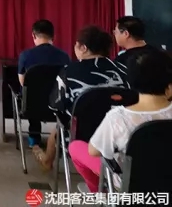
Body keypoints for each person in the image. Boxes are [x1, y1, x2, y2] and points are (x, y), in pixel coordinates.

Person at [69, 49, 172, 192]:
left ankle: (100, 192)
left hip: (130, 185)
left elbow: (94, 151)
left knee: (75, 147)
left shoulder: (119, 118)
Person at [32, 26, 128, 170]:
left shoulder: (69, 72)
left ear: (83, 48)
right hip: (120, 135)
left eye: (76, 45)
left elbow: (55, 106)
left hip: (80, 135)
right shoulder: (123, 70)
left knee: (60, 125)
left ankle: (47, 161)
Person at [17, 20, 70, 147]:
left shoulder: (25, 56)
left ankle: (34, 137)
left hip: (32, 106)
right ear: (54, 37)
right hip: (58, 104)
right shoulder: (64, 56)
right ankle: (60, 137)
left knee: (31, 94)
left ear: (33, 35)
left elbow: (23, 82)